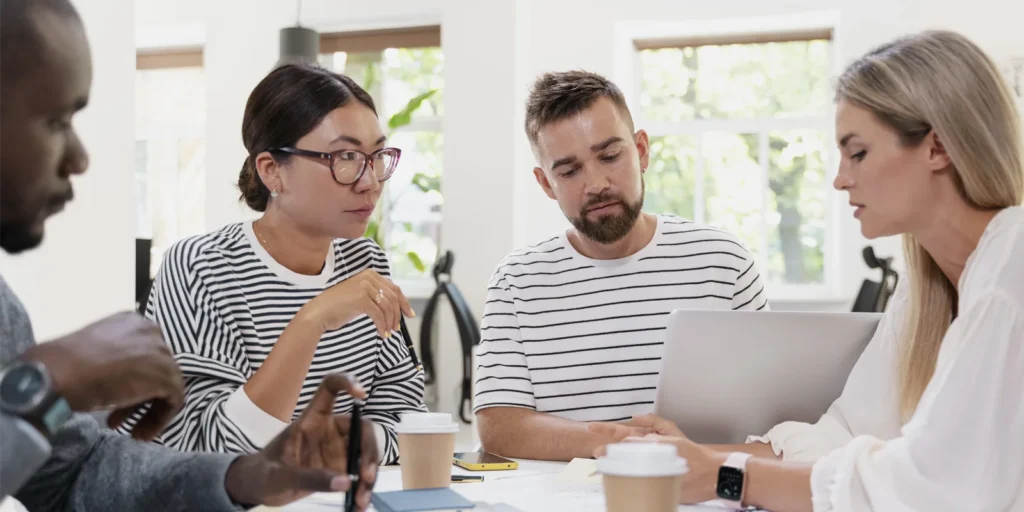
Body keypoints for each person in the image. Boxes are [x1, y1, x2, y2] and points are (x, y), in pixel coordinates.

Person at [599, 30, 1024, 512]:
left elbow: (932, 486)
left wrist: (726, 476)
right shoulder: (924, 292)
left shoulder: (1011, 272)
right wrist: (692, 459)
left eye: (858, 152)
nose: (841, 179)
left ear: (937, 147)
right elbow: (843, 434)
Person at [0, 0, 379, 510]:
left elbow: (72, 477)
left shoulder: (4, 310)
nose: (81, 157)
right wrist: (42, 384)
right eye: (55, 121)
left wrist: (250, 475)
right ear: (272, 171)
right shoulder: (200, 264)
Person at [117, 63, 427, 465]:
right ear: (272, 171)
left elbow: (407, 417)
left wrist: (343, 445)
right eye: (346, 157)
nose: (370, 181)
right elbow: (202, 447)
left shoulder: (365, 262)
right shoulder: (199, 266)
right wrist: (312, 319)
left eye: (376, 156)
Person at [474, 70, 770, 462]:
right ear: (546, 184)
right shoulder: (516, 282)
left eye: (610, 156)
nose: (596, 183)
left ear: (642, 151)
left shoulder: (724, 262)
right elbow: (499, 427)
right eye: (569, 170)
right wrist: (622, 445)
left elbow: (772, 422)